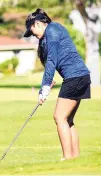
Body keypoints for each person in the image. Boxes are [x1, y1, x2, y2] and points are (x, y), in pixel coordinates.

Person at [23, 8, 91, 160]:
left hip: (75, 77)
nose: (33, 34)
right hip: (80, 76)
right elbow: (57, 59)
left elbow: (52, 60)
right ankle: (75, 159)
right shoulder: (54, 31)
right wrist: (49, 81)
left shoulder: (52, 30)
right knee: (67, 120)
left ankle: (67, 158)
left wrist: (45, 87)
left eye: (32, 29)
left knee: (59, 117)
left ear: (38, 23)